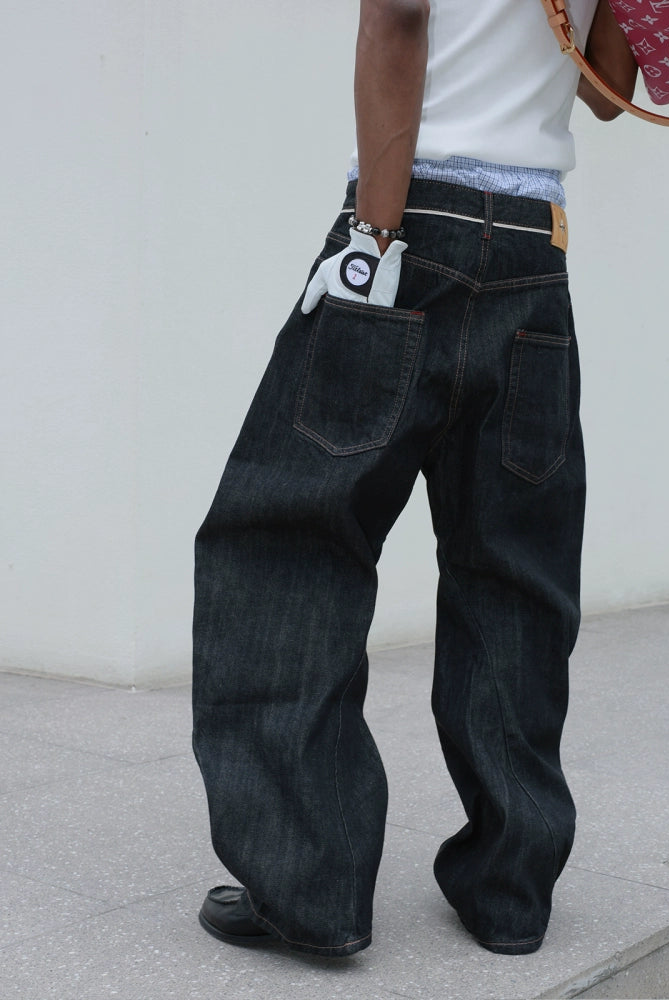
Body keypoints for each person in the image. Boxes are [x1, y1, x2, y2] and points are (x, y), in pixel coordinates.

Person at [192, 0, 637, 958]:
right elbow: (607, 89)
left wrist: (374, 241)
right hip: (535, 246)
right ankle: (509, 892)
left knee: (287, 548)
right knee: (513, 572)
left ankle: (306, 888)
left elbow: (397, 13)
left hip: (415, 219)